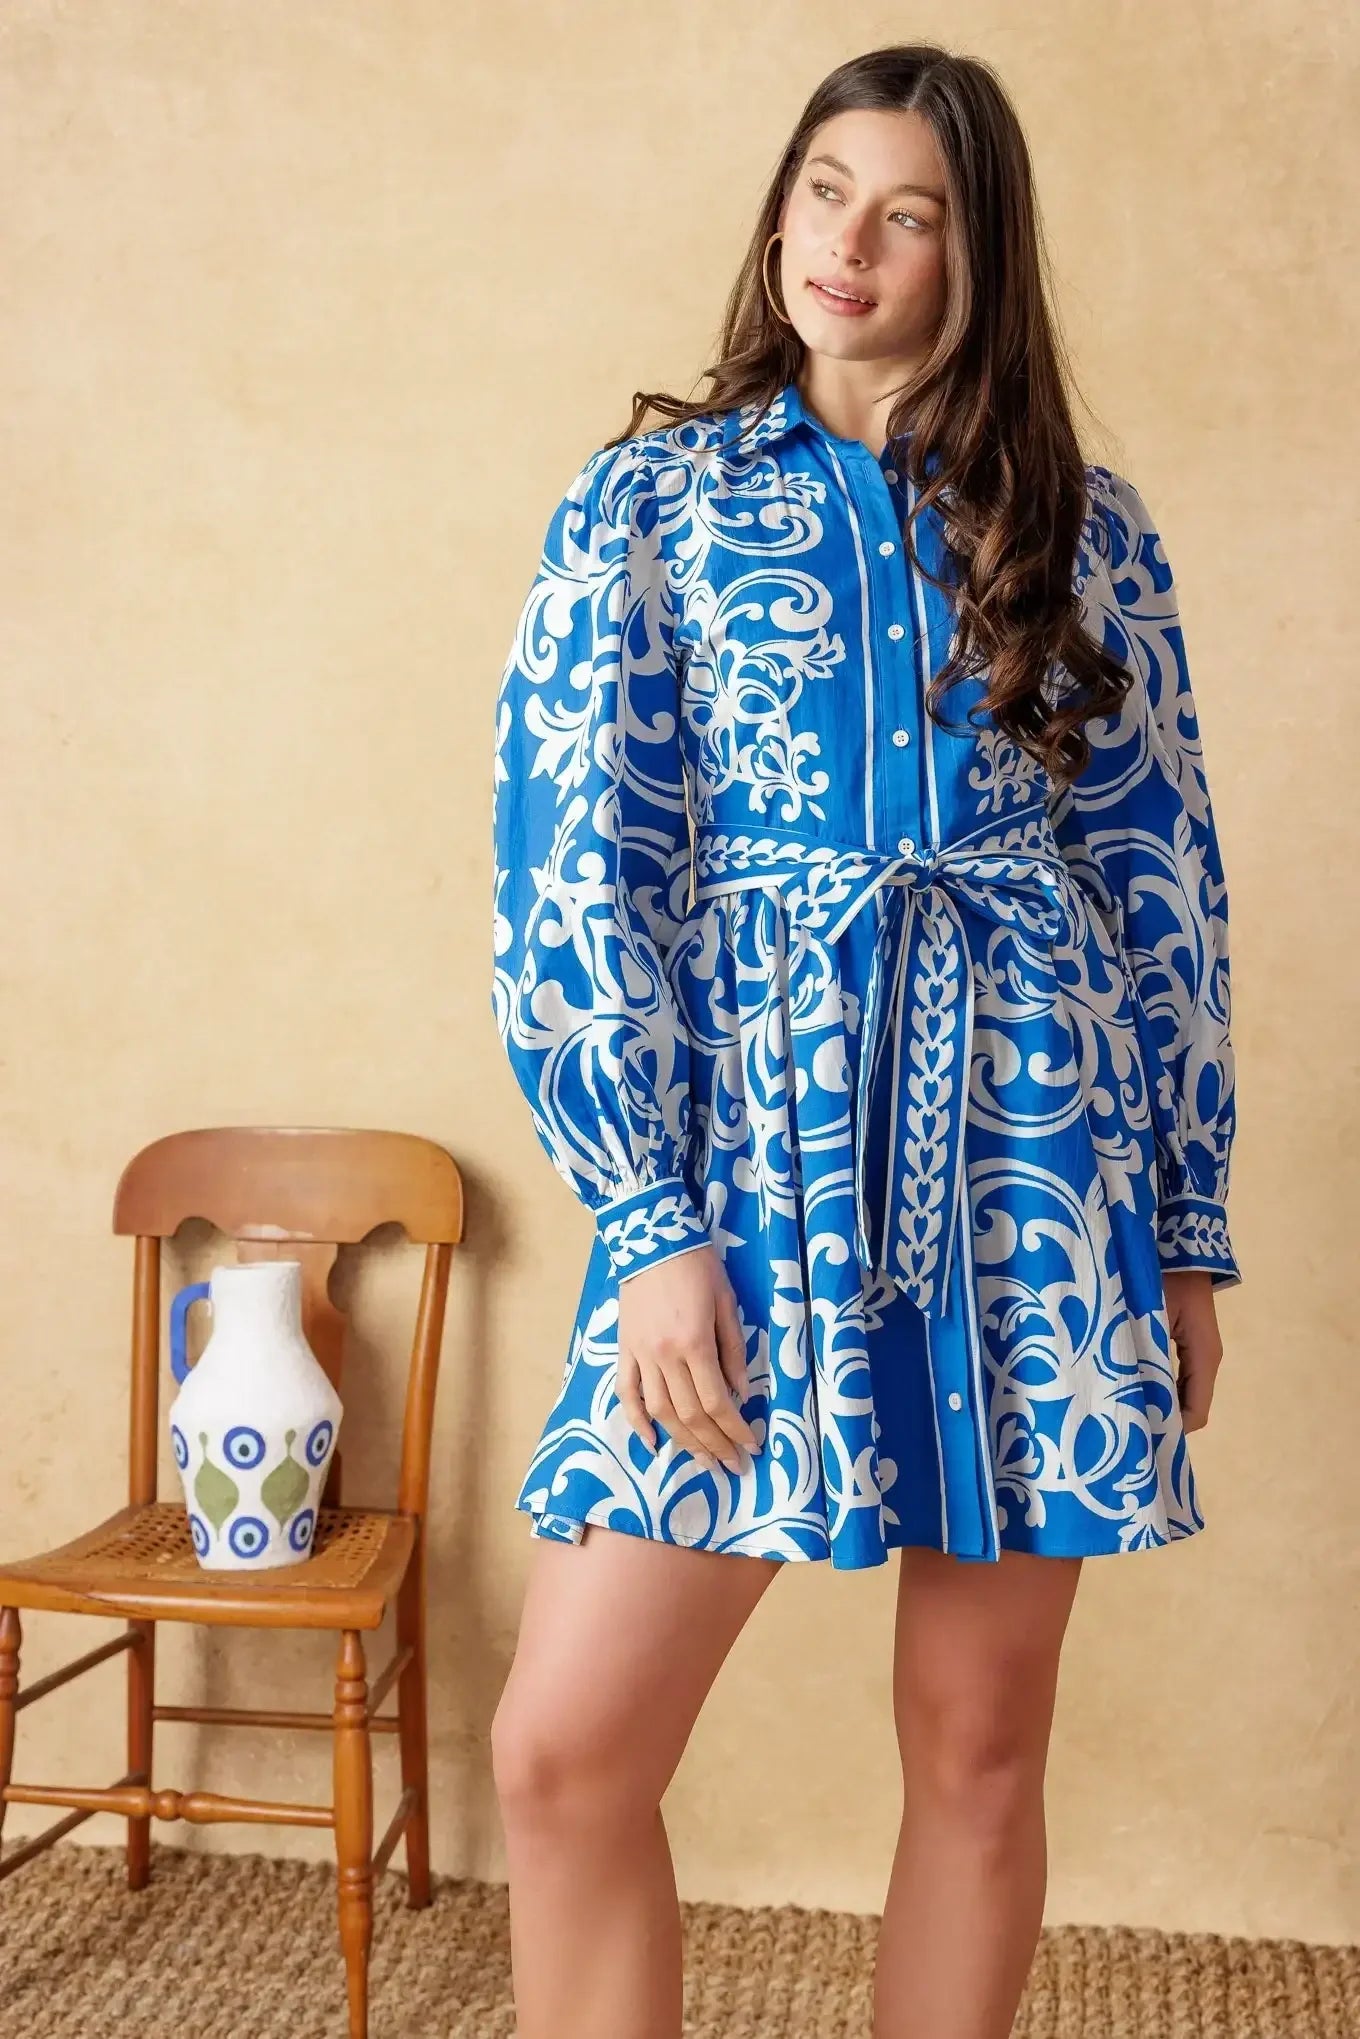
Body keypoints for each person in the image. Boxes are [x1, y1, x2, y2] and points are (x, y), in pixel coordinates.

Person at [487, 40, 1241, 2039]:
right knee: (562, 1752)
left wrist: (1182, 1232)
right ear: (778, 210)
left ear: (973, 258)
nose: (850, 242)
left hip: (1035, 1157)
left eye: (909, 213)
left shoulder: (1083, 529)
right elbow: (577, 865)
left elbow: (1159, 880)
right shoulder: (651, 505)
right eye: (826, 189)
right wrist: (649, 1218)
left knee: (978, 1745)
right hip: (752, 1163)